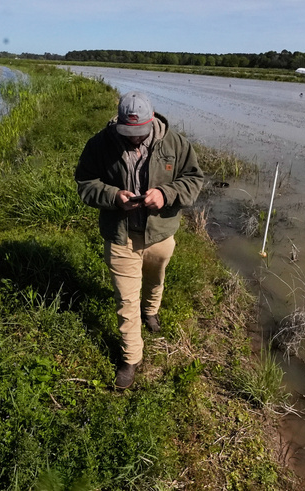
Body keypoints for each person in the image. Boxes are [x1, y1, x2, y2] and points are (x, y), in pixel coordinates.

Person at [74, 91, 205, 390]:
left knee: (156, 278)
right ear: (119, 123)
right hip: (121, 237)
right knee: (125, 300)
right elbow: (85, 183)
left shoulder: (176, 143)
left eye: (140, 133)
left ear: (152, 120)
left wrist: (166, 194)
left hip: (161, 233)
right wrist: (113, 197)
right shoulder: (99, 144)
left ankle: (152, 311)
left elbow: (194, 180)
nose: (134, 138)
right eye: (128, 133)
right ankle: (131, 358)